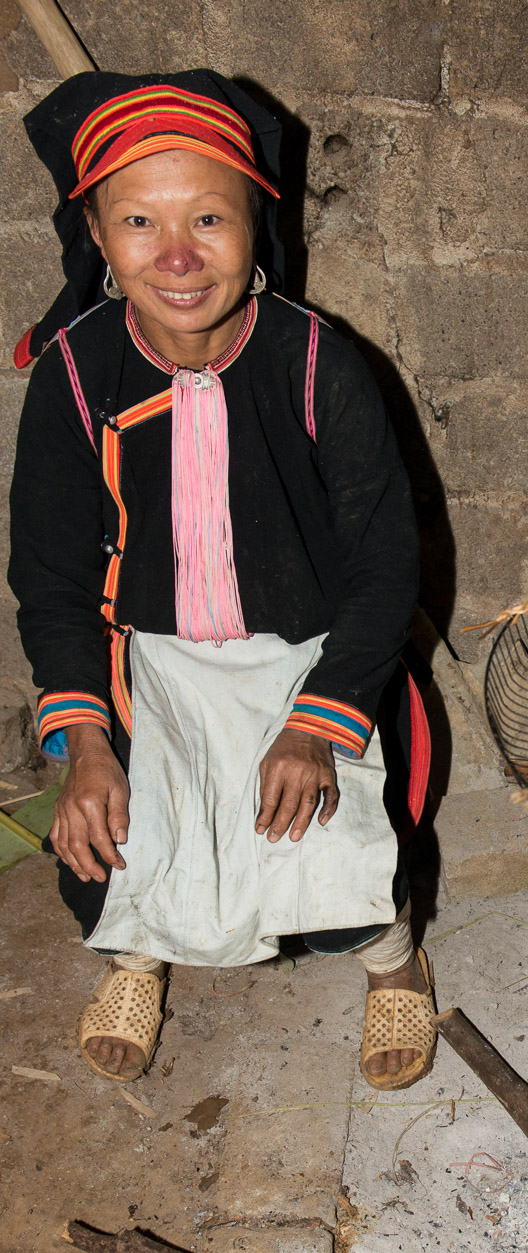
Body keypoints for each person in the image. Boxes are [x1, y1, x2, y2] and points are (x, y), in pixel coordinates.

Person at [7, 71, 437, 1093]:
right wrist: (86, 742)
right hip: (147, 660)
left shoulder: (318, 364)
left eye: (209, 216)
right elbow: (52, 574)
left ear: (258, 224)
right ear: (98, 241)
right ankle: (139, 955)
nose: (179, 255)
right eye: (139, 222)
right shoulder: (74, 375)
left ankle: (395, 958)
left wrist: (318, 721)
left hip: (304, 656)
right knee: (115, 834)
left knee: (332, 851)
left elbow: (385, 564)